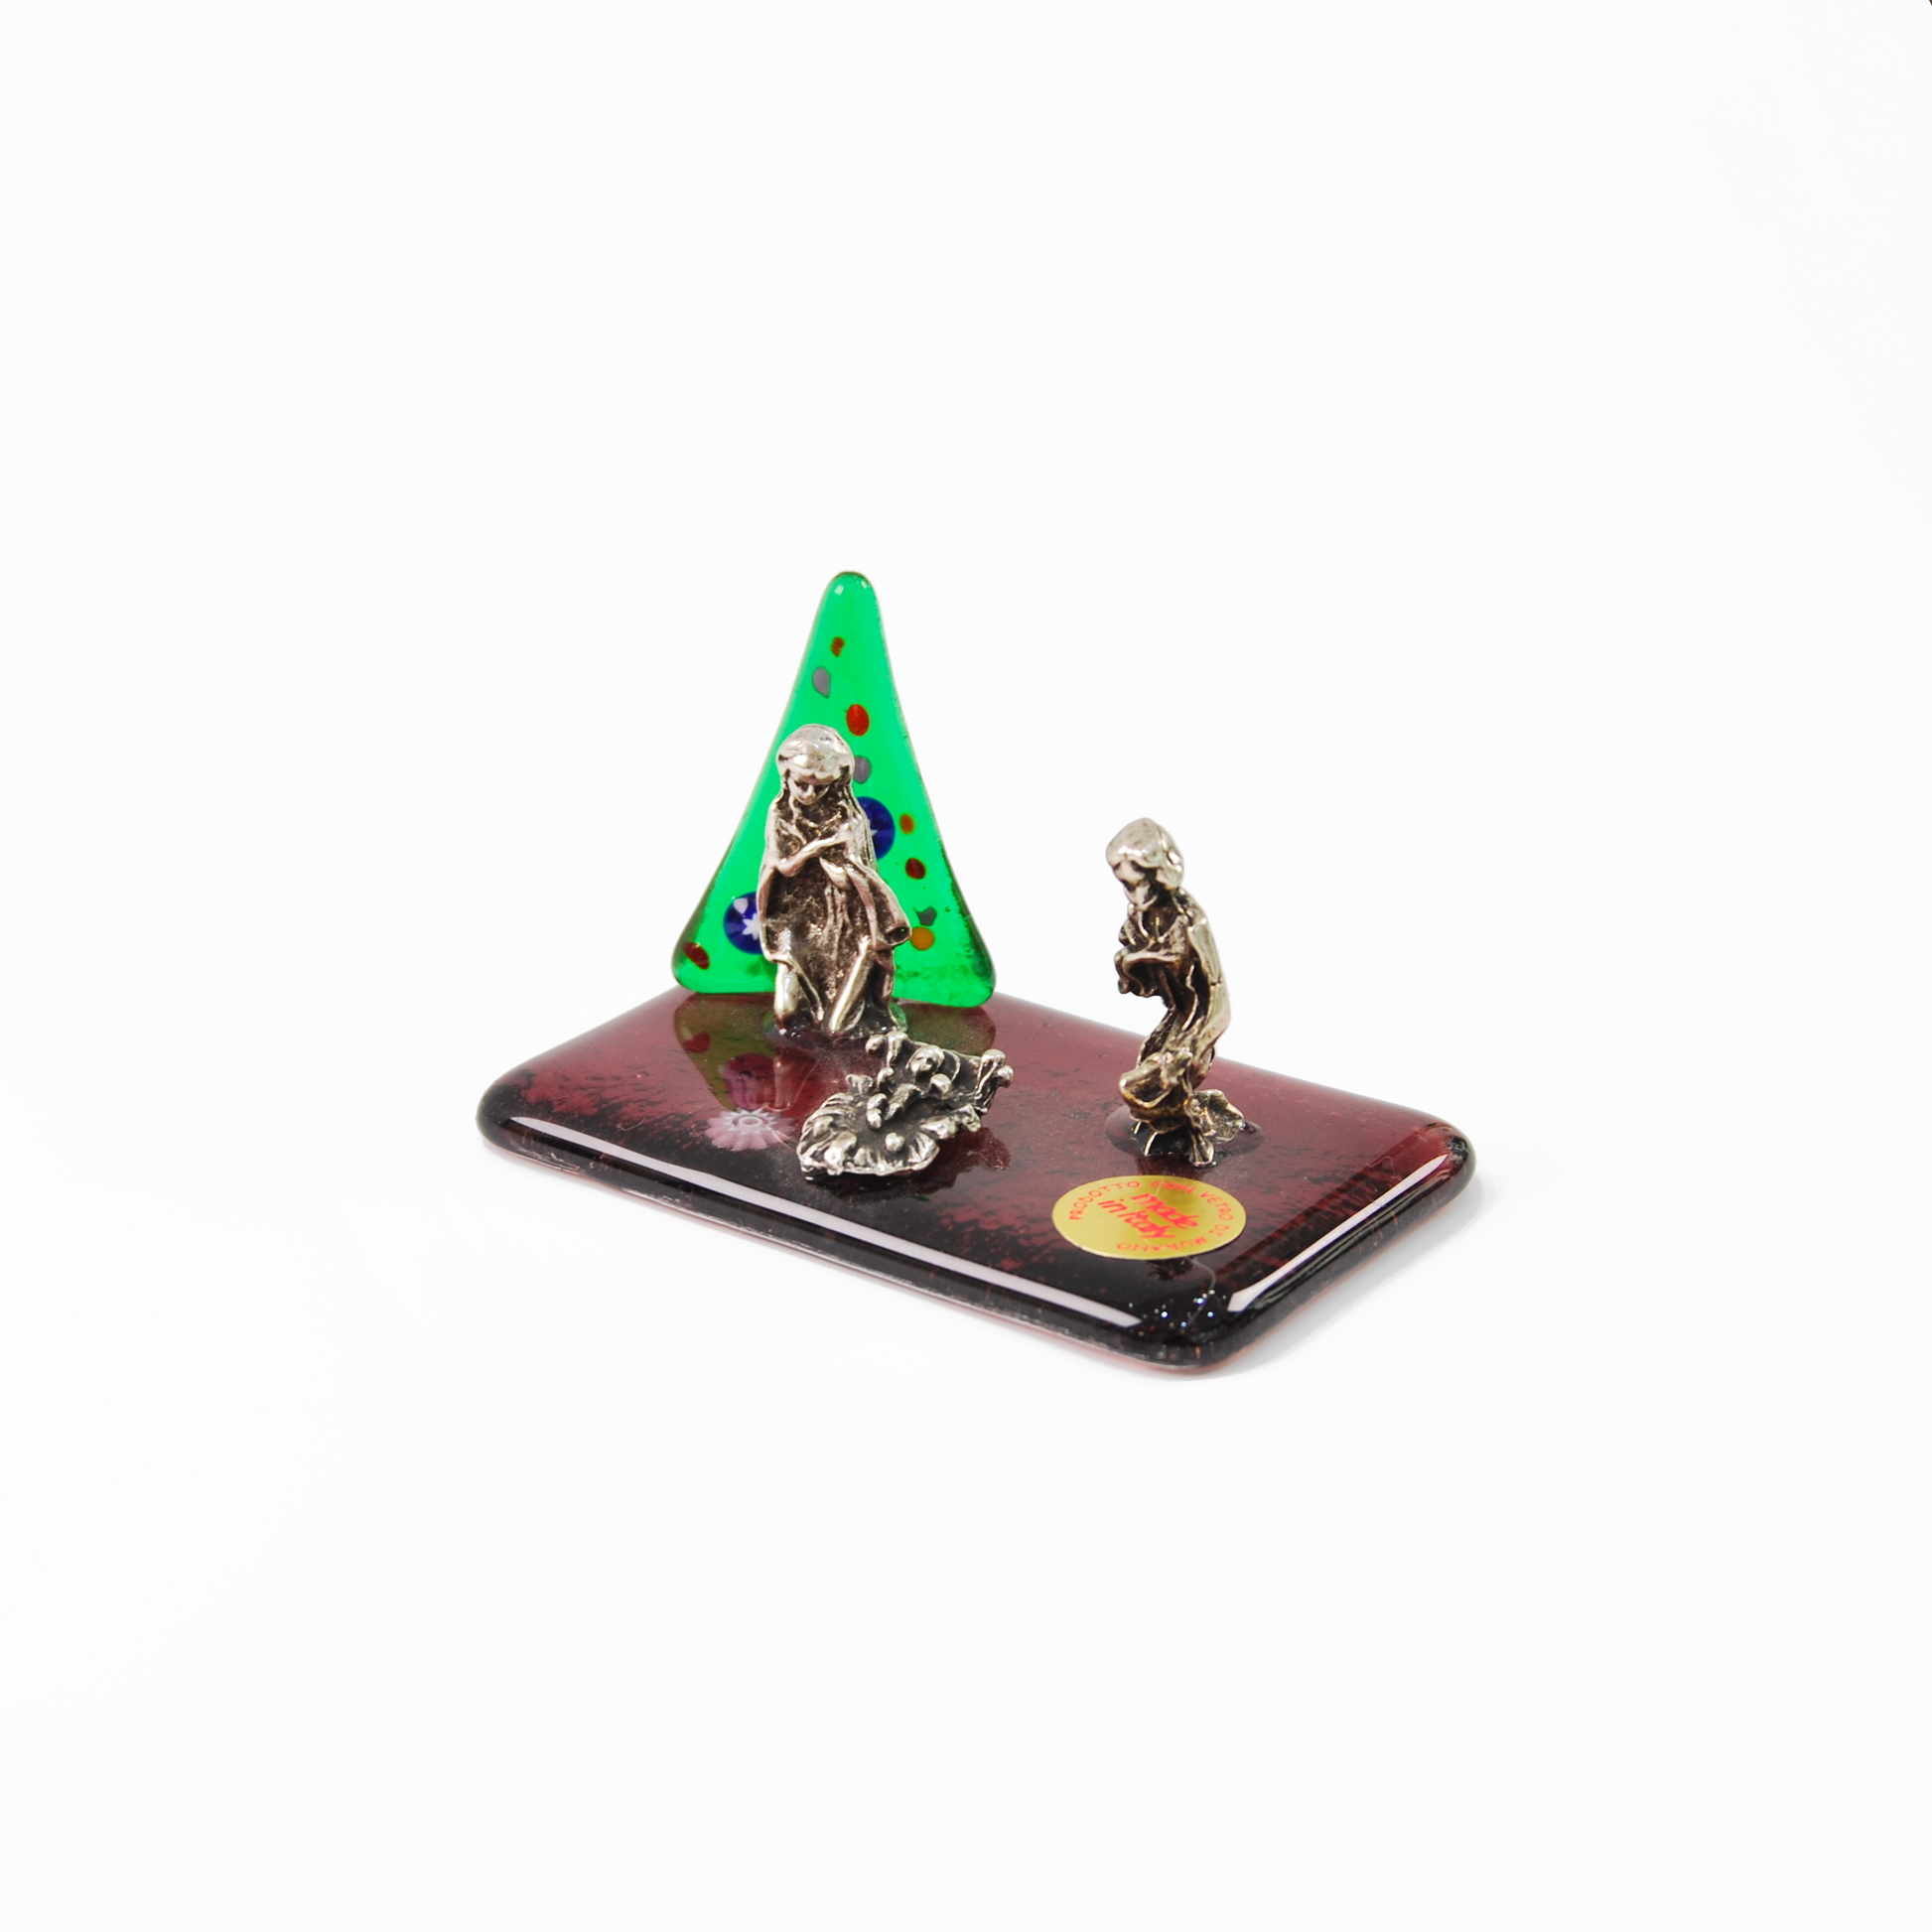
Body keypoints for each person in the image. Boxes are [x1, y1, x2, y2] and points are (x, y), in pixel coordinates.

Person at [1108, 817, 1246, 1161]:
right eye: (1127, 887)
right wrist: (1130, 961)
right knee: (1146, 1074)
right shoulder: (1144, 916)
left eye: (1141, 885)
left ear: (1159, 874)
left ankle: (1192, 1129)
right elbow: (1142, 977)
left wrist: (1196, 1043)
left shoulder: (1189, 922)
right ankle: (1174, 1123)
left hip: (1199, 1021)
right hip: (1178, 1017)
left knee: (1151, 1083)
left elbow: (1217, 997)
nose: (1136, 896)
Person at [759, 725, 909, 1035]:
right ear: (786, 776)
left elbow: (851, 878)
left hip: (840, 922)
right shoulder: (779, 813)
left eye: (821, 787)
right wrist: (817, 848)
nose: (809, 794)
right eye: (801, 784)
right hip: (794, 919)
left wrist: (839, 867)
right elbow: (784, 867)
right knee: (786, 1013)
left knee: (837, 1027)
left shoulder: (849, 820)